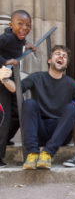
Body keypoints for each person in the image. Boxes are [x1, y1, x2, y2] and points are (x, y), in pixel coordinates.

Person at [8, 45, 75, 170]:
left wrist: (72, 124)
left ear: (66, 65)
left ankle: (47, 154)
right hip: (40, 130)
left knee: (72, 109)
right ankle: (32, 154)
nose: (61, 57)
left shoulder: (71, 84)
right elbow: (17, 89)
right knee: (29, 103)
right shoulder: (37, 77)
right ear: (49, 60)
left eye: (64, 56)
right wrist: (4, 79)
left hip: (60, 132)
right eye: (57, 54)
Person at [0, 10, 35, 168]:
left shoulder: (17, 37)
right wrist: (5, 61)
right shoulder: (7, 37)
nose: (24, 27)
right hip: (3, 80)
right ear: (10, 25)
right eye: (20, 24)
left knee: (18, 112)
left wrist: (26, 44)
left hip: (12, 81)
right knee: (4, 117)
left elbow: (20, 40)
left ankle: (6, 138)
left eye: (28, 25)